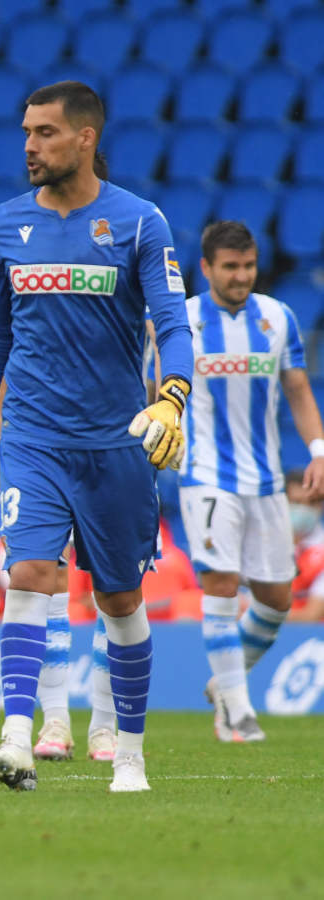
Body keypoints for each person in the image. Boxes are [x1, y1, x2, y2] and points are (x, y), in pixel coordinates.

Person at [0, 81, 194, 793]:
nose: (29, 145)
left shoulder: (141, 223)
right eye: (26, 131)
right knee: (30, 574)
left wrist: (172, 402)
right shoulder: (3, 225)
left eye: (46, 132)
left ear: (86, 138)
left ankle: (131, 755)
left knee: (119, 601)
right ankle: (16, 739)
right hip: (34, 436)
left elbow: (173, 326)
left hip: (116, 443)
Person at [173, 221, 324, 742]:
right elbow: (157, 391)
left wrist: (319, 450)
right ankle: (236, 712)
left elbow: (299, 390)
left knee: (277, 598)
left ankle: (225, 681)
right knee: (219, 582)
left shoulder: (277, 318)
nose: (241, 276)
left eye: (248, 266)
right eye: (230, 267)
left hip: (263, 478)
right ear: (207, 268)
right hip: (205, 474)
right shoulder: (181, 322)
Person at [287, 470, 324, 621]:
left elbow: (312, 615)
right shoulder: (260, 543)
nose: (303, 510)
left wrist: (255, 617)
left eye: (311, 503)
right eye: (296, 502)